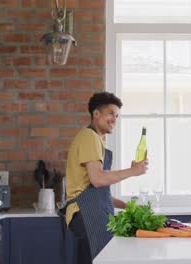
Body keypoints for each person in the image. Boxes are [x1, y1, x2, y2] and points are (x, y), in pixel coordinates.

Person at [64, 92, 147, 264]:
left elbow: (97, 191)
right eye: (110, 113)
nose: (114, 119)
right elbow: (98, 179)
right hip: (86, 213)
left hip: (91, 212)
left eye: (116, 115)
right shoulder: (89, 137)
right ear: (96, 114)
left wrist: (127, 207)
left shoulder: (96, 141)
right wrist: (133, 171)